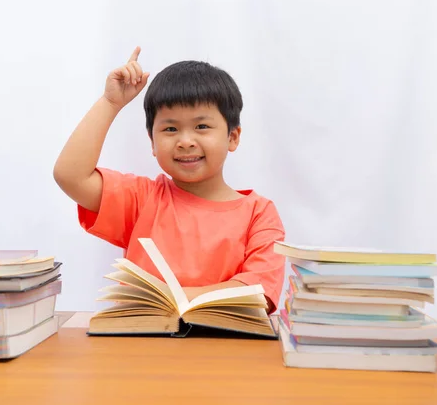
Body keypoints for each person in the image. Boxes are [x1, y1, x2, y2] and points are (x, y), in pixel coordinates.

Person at [53, 47, 285, 312]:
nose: (185, 141)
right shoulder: (142, 199)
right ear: (152, 142)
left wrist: (169, 300)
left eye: (202, 126)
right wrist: (110, 103)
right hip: (139, 349)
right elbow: (70, 176)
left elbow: (257, 294)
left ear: (232, 137)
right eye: (170, 129)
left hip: (224, 351)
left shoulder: (259, 213)